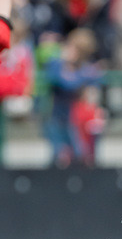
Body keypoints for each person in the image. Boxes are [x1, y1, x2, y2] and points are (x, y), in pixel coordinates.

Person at [44, 28, 103, 168]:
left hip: (76, 122)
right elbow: (65, 83)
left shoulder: (85, 68)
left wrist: (78, 76)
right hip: (57, 119)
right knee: (59, 159)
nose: (71, 51)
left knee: (81, 158)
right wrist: (81, 77)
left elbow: (94, 88)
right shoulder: (56, 63)